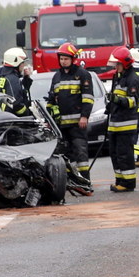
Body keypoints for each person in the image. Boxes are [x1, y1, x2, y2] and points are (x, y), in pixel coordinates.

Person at [46, 42, 95, 179]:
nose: (63, 61)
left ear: (73, 59)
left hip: (78, 124)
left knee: (81, 154)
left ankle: (85, 181)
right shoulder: (57, 77)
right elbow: (51, 99)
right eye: (61, 58)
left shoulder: (83, 74)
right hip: (61, 125)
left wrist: (84, 116)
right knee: (66, 155)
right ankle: (72, 181)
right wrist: (49, 119)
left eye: (66, 59)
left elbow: (88, 98)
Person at [105, 47, 139, 192]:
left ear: (125, 63)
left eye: (117, 64)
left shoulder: (133, 79)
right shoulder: (118, 76)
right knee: (115, 154)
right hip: (115, 124)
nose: (115, 67)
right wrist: (110, 106)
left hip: (125, 125)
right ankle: (119, 180)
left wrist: (117, 100)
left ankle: (128, 183)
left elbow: (133, 102)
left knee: (125, 154)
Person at [0, 47, 34, 115]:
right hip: (15, 120)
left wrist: (26, 79)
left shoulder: (4, 76)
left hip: (5, 116)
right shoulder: (13, 79)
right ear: (17, 62)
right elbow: (16, 104)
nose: (24, 65)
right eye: (23, 62)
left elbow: (21, 92)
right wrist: (28, 114)